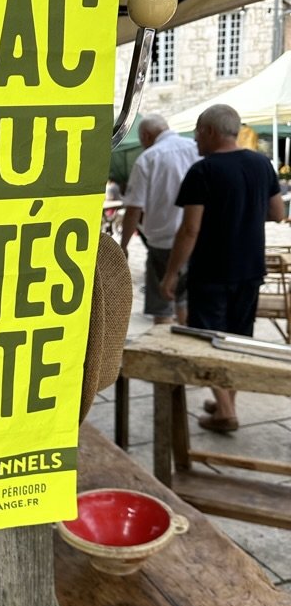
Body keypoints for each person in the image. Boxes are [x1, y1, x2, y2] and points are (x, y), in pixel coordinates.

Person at [161, 104, 285, 432]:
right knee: (238, 337)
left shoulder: (203, 171)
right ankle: (225, 401)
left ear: (210, 132)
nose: (195, 139)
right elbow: (278, 213)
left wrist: (171, 274)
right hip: (250, 267)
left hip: (211, 270)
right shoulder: (261, 164)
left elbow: (190, 230)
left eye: (197, 132)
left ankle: (226, 412)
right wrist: (244, 210)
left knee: (207, 337)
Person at [120, 114, 200, 324]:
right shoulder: (196, 148)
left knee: (162, 309)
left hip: (162, 243)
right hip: (196, 240)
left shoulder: (148, 158)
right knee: (186, 303)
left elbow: (133, 209)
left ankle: (163, 344)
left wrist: (124, 245)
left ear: (146, 135)